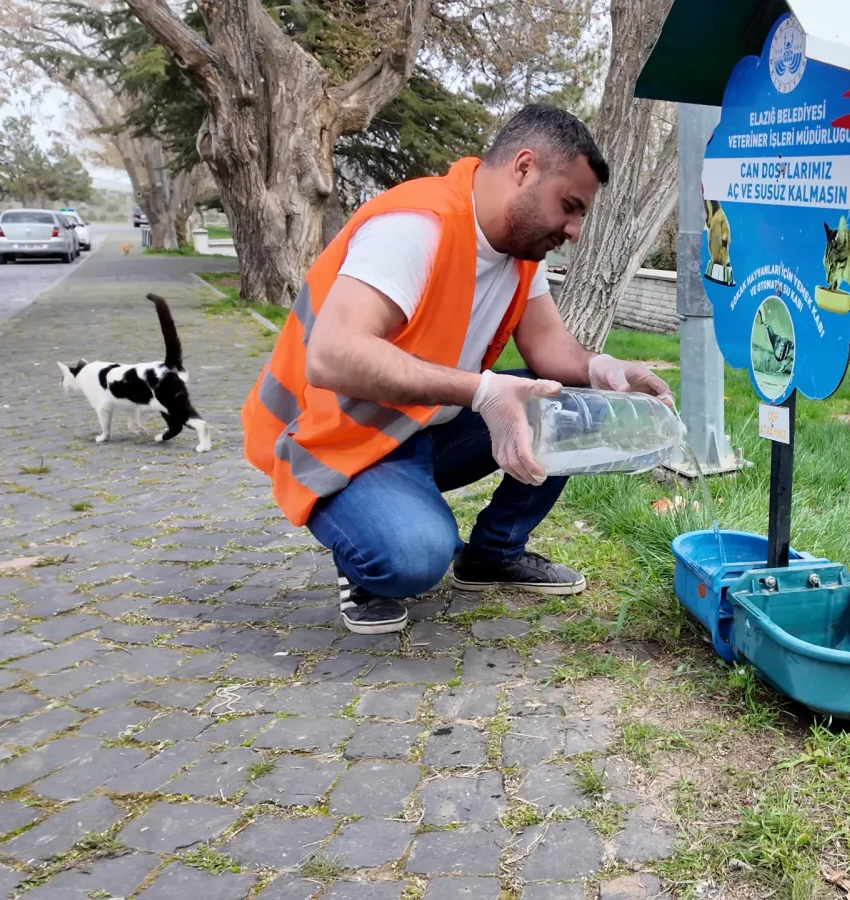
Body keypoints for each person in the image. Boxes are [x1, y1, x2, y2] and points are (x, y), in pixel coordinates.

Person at [241, 104, 672, 635]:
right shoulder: (415, 227)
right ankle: (363, 561)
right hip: (334, 439)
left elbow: (549, 348)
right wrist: (483, 391)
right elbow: (332, 354)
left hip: (423, 426)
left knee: (562, 404)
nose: (575, 230)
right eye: (569, 206)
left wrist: (607, 369)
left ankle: (492, 555)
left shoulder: (519, 253)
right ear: (524, 167)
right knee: (415, 558)